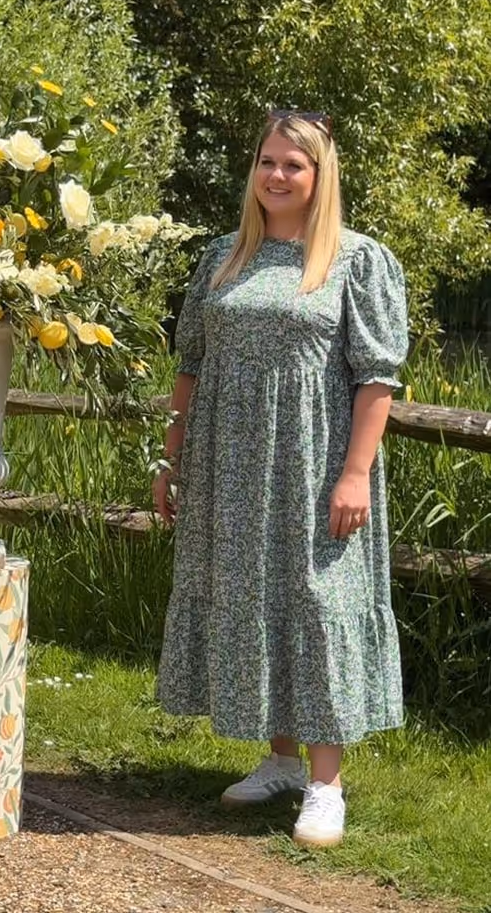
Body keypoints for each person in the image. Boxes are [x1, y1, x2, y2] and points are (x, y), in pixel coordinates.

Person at [153, 111, 408, 849]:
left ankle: (327, 784)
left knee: (316, 598)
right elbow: (190, 366)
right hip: (227, 463)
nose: (276, 175)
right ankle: (281, 761)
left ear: (320, 175)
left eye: (293, 164)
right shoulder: (224, 257)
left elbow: (376, 378)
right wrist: (171, 460)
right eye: (267, 161)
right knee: (252, 592)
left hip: (313, 461)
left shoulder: (357, 260)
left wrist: (354, 473)